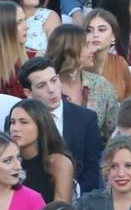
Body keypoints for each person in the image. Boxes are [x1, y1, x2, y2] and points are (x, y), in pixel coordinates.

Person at [17, 56, 102, 194]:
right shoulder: (17, 120)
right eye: (41, 85)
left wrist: (71, 194)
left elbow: (92, 173)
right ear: (28, 93)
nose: (51, 89)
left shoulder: (86, 119)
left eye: (53, 80)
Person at [46, 23, 118, 140]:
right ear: (70, 50)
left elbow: (113, 134)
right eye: (87, 45)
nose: (93, 50)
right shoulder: (45, 88)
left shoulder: (102, 86)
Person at [6, 97, 74, 203]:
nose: (15, 128)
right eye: (12, 122)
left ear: (41, 125)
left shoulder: (59, 163)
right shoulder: (4, 160)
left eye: (23, 122)